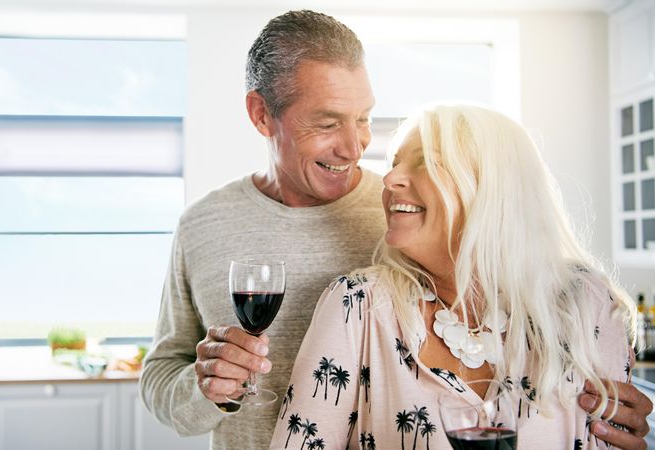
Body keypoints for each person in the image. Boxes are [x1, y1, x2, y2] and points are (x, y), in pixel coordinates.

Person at [139, 10, 652, 450]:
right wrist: (206, 387)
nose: (355, 145)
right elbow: (163, 371)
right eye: (326, 122)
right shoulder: (202, 226)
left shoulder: (412, 213)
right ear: (261, 115)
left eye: (363, 118)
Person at [268, 103, 649, 450]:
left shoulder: (588, 303)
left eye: (425, 163)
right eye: (395, 164)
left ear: (492, 188)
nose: (389, 180)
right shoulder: (358, 305)